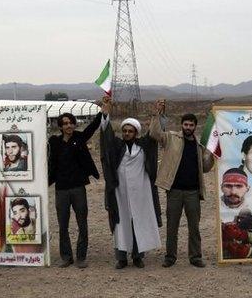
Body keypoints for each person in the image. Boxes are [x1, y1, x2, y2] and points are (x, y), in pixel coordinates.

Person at [149, 99, 215, 268]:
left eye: (191, 125)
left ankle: (195, 257)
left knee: (194, 227)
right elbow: (154, 133)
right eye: (185, 124)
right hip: (174, 191)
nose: (188, 127)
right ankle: (170, 257)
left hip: (193, 192)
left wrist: (213, 156)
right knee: (172, 227)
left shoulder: (199, 146)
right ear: (182, 125)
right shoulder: (171, 138)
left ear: (195, 126)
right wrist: (157, 114)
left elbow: (206, 168)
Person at [99, 97, 161, 269]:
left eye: (130, 131)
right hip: (121, 192)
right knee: (121, 223)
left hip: (141, 192)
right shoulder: (117, 146)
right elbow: (107, 135)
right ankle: (121, 258)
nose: (126, 133)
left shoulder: (144, 146)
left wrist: (156, 115)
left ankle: (138, 256)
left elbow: (154, 134)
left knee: (139, 222)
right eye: (124, 130)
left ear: (136, 133)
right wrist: (105, 114)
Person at [48, 110, 103, 268]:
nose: (69, 125)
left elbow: (92, 128)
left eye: (71, 122)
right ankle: (66, 257)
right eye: (65, 123)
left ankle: (81, 257)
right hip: (61, 190)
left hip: (78, 188)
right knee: (63, 224)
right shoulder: (54, 142)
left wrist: (103, 113)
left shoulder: (79, 138)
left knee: (82, 223)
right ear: (60, 126)